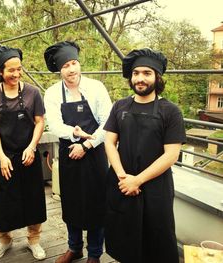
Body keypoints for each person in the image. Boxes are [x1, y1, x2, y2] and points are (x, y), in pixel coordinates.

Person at [103, 48, 186, 263]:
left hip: (155, 187)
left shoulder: (171, 111)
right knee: (124, 235)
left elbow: (171, 155)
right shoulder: (120, 106)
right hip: (122, 183)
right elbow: (110, 142)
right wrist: (123, 177)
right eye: (136, 73)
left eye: (147, 73)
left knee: (157, 238)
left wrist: (137, 180)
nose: (140, 78)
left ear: (157, 77)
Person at [44, 41, 112, 263]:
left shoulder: (96, 87)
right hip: (68, 152)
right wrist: (74, 134)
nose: (71, 69)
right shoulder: (53, 93)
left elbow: (107, 122)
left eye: (74, 63)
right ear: (59, 70)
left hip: (95, 152)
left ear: (79, 64)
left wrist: (87, 145)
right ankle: (75, 248)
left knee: (97, 204)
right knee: (71, 203)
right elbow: (53, 124)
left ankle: (94, 254)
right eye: (65, 66)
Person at [0, 46, 47, 260]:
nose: (16, 74)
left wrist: (31, 147)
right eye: (11, 70)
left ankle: (34, 241)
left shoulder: (32, 93)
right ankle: (5, 241)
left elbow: (39, 122)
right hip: (5, 156)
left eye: (19, 69)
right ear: (0, 71)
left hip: (29, 155)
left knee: (33, 199)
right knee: (3, 202)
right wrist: (1, 156)